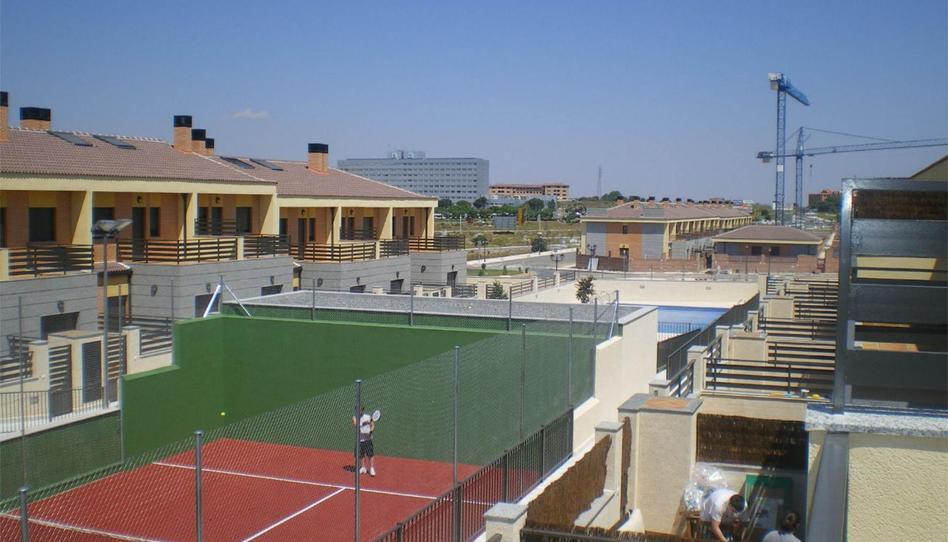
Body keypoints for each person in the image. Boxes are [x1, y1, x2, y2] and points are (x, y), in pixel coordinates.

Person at [351, 406, 376, 476]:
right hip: (360, 440)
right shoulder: (354, 418)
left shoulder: (368, 417)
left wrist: (371, 431)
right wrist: (365, 424)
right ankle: (363, 467)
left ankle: (371, 468)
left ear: (362, 410)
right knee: (360, 455)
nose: (358, 411)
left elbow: (373, 424)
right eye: (357, 410)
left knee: (370, 454)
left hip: (368, 439)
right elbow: (357, 426)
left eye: (360, 410)